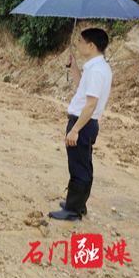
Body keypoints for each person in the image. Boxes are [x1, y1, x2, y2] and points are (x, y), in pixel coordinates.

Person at [49, 28, 112, 221]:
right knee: (84, 165)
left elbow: (91, 104)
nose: (78, 45)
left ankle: (73, 211)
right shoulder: (94, 68)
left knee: (78, 167)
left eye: (81, 42)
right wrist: (74, 67)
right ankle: (77, 204)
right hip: (83, 123)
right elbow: (80, 88)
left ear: (91, 45)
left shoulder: (97, 71)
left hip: (82, 124)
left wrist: (75, 129)